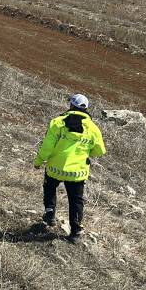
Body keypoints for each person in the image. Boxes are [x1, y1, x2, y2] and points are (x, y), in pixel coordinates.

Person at [33, 94, 106, 243]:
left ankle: (50, 213)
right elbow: (100, 151)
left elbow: (47, 146)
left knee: (49, 187)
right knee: (76, 200)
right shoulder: (93, 128)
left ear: (71, 105)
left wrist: (39, 161)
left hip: (55, 168)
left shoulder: (58, 122)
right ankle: (76, 231)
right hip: (77, 172)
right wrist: (86, 153)